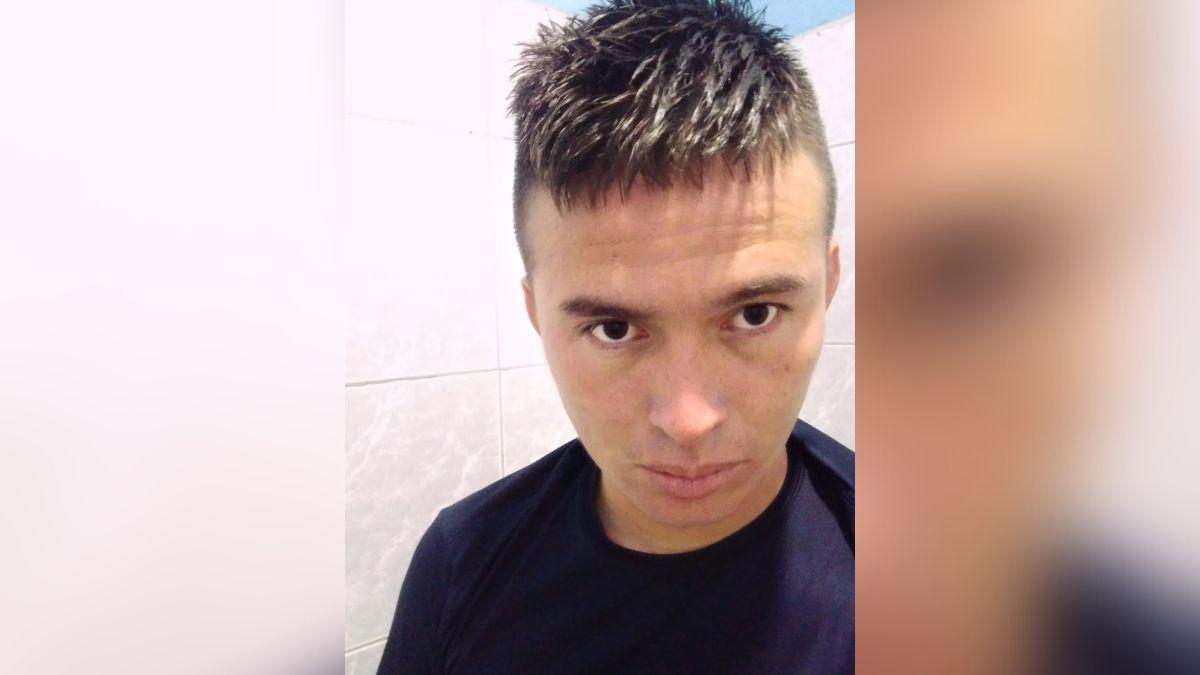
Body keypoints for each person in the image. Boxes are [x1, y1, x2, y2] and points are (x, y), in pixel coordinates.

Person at [377, 1, 852, 672]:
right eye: (615, 327)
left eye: (754, 314)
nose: (687, 421)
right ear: (536, 314)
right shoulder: (462, 562)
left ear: (827, 287)